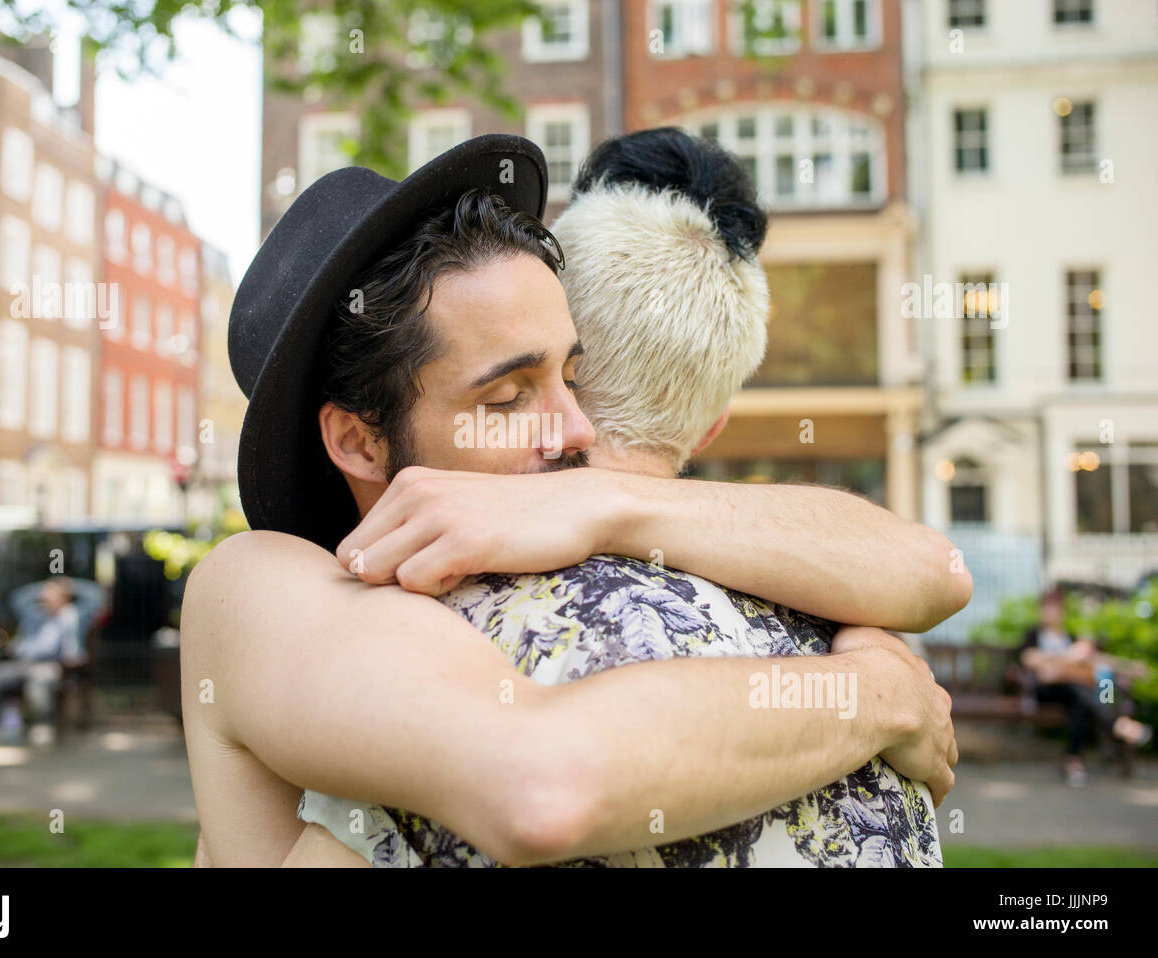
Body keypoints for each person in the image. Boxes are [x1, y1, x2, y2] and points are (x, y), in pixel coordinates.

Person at [184, 134, 963, 867]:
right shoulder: (258, 583)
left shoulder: (547, 544)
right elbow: (543, 787)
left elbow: (934, 571)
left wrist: (610, 502)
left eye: (573, 374)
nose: (577, 428)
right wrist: (878, 693)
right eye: (506, 397)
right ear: (357, 442)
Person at [1021, 589, 1152, 786]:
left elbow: (1098, 660)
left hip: (1073, 692)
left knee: (1080, 700)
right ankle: (1119, 726)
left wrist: (1130, 667)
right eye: (1046, 608)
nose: (1049, 613)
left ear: (1062, 612)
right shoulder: (1033, 634)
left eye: (1053, 609)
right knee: (1081, 691)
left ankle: (1073, 761)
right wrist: (1068, 655)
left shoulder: (1070, 636)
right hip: (1046, 691)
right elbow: (1030, 659)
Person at [0, 577, 85, 747]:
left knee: (38, 683)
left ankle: (43, 725)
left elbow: (95, 596)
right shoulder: (32, 614)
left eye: (53, 595)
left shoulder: (72, 616)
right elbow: (17, 597)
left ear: (65, 598)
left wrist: (68, 585)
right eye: (45, 594)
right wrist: (45, 587)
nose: (46, 598)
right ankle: (7, 721)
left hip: (49, 664)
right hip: (19, 663)